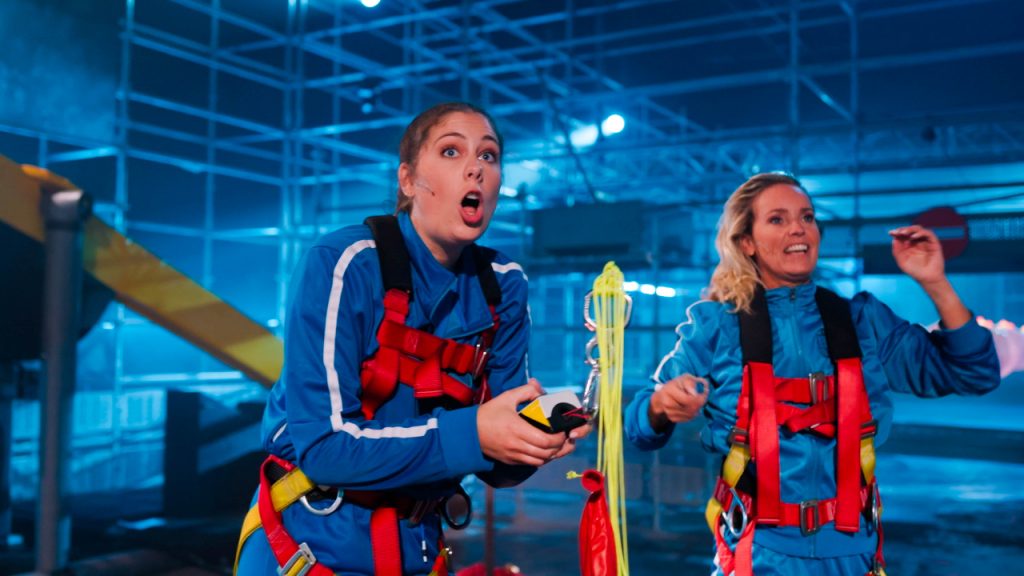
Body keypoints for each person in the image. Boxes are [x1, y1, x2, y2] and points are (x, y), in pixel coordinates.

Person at [235, 102, 587, 576]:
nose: (475, 169)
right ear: (407, 180)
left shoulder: (503, 285)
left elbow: (498, 466)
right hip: (312, 541)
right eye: (451, 151)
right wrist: (474, 432)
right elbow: (324, 450)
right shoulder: (346, 263)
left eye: (488, 156)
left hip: (417, 545)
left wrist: (531, 441)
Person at [624, 172, 1000, 576]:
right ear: (747, 242)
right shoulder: (716, 327)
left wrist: (935, 281)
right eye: (778, 219)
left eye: (807, 217)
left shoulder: (862, 321)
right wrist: (660, 405)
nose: (798, 228)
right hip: (758, 556)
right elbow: (637, 426)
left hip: (854, 556)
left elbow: (975, 372)